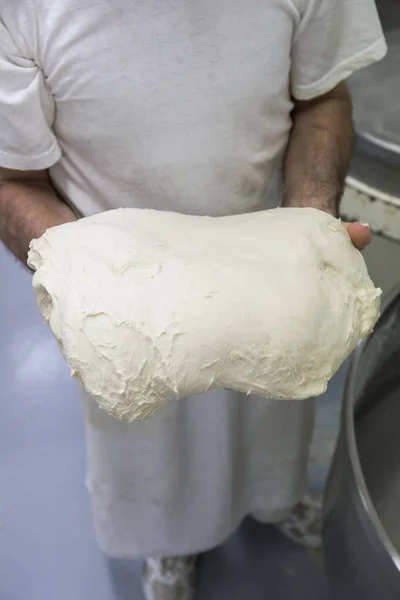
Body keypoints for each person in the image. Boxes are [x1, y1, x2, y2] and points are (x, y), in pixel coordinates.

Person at [0, 1, 385, 598]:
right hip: (125, 287)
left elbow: (321, 97)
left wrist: (312, 226)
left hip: (269, 259)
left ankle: (274, 498)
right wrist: (79, 280)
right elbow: (12, 179)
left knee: (276, 405)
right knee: (150, 438)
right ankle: (170, 542)